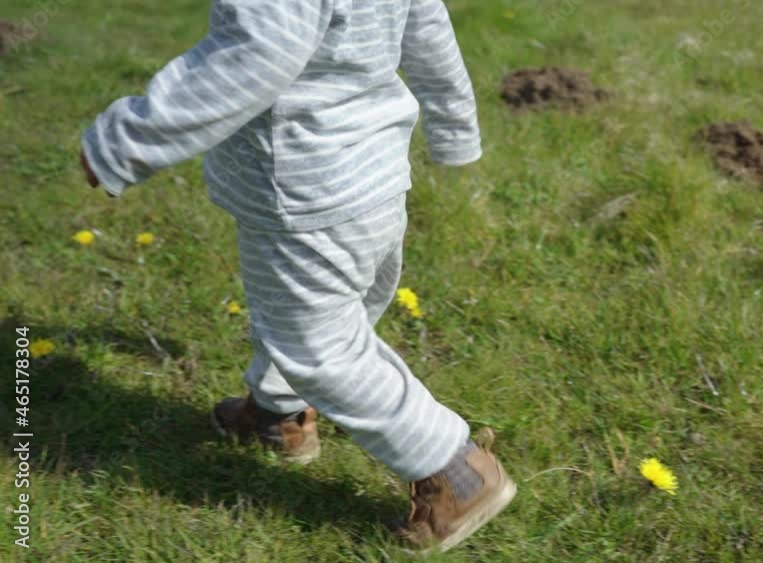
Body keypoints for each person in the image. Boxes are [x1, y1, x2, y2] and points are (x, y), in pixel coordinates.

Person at [79, 0, 515, 552]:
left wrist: (124, 140)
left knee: (322, 347)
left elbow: (256, 55)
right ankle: (279, 414)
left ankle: (455, 472)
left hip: (304, 189)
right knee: (308, 316)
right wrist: (454, 125)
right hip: (373, 176)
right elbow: (425, 21)